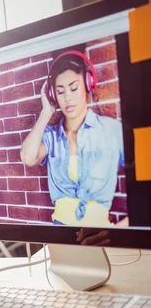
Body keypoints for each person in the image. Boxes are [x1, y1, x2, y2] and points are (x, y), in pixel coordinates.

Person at [20, 50, 127, 227]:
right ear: (53, 96)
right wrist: (46, 111)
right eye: (60, 92)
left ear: (88, 84)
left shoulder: (112, 131)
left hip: (99, 236)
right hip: (62, 236)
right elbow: (27, 157)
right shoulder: (52, 137)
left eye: (74, 88)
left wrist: (121, 230)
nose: (68, 97)